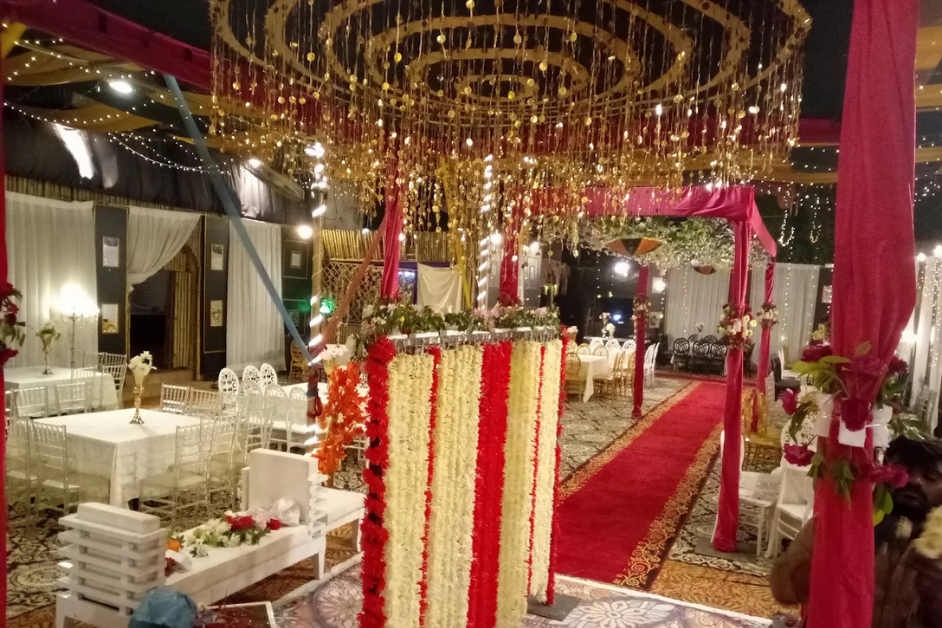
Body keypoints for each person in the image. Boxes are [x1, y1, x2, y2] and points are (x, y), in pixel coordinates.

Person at [771, 436, 942, 627]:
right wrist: (838, 554)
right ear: (882, 472)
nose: (914, 480)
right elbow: (782, 591)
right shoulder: (841, 522)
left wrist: (936, 595)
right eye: (904, 470)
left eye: (931, 476)